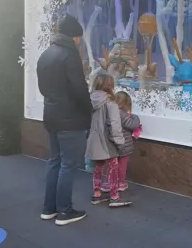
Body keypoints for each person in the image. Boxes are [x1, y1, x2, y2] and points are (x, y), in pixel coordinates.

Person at [37, 14, 92, 226]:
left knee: (55, 162)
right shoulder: (69, 56)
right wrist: (89, 113)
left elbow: (43, 89)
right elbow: (80, 90)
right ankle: (64, 211)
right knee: (68, 165)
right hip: (71, 119)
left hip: (51, 116)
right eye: (78, 37)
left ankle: (48, 209)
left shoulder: (46, 55)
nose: (79, 42)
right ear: (72, 36)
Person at [86, 72, 132, 208]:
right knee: (113, 166)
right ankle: (114, 196)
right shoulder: (110, 102)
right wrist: (119, 141)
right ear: (110, 85)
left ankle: (97, 194)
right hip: (107, 140)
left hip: (94, 139)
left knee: (98, 166)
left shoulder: (90, 99)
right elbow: (115, 123)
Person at [100, 91, 141, 193]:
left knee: (111, 165)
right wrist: (136, 117)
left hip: (111, 144)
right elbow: (133, 125)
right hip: (124, 145)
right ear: (126, 104)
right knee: (122, 165)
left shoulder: (108, 112)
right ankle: (121, 183)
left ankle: (110, 182)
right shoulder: (122, 114)